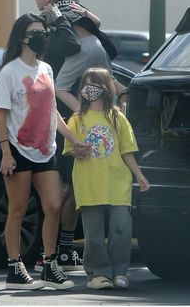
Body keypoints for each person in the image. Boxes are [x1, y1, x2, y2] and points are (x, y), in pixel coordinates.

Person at [34, 0, 126, 272]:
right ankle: (64, 249)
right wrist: (85, 14)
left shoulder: (51, 15)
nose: (37, 0)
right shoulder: (76, 5)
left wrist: (80, 115)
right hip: (96, 46)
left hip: (81, 57)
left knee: (58, 87)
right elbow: (97, 22)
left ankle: (55, 251)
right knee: (71, 188)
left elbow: (59, 63)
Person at [0, 13, 89, 290]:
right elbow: (1, 115)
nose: (42, 37)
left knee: (54, 205)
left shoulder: (46, 68)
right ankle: (15, 268)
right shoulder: (9, 72)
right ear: (22, 37)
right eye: (36, 32)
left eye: (43, 32)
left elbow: (53, 112)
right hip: (17, 148)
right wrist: (6, 153)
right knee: (18, 209)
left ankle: (49, 265)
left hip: (46, 150)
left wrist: (73, 139)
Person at [63, 67, 150, 290]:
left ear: (105, 88)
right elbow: (70, 149)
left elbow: (126, 150)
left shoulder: (117, 117)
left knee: (121, 227)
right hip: (89, 184)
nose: (88, 89)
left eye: (93, 84)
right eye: (85, 84)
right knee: (93, 234)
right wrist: (77, 150)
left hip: (117, 184)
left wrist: (138, 174)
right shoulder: (77, 119)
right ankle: (98, 274)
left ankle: (120, 271)